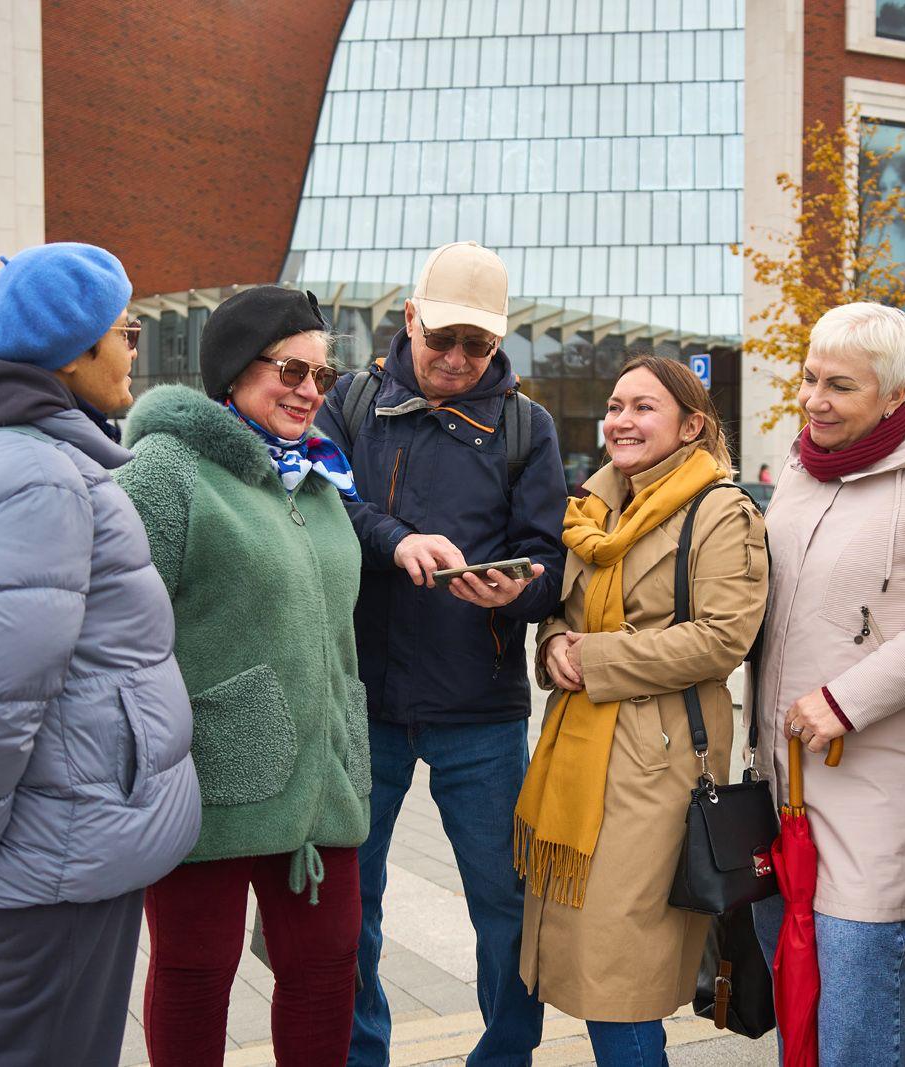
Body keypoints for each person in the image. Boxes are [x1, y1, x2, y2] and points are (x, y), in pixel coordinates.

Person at [0, 241, 202, 1066]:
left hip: (62, 834)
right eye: (124, 330)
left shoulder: (15, 456)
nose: (134, 348)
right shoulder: (42, 477)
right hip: (60, 847)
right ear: (72, 351)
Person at [313, 241, 567, 1067]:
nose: (457, 358)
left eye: (478, 345)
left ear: (501, 341)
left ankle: (505, 1057)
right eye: (443, 339)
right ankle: (362, 1056)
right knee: (350, 908)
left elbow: (550, 564)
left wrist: (514, 593)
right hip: (362, 701)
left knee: (509, 908)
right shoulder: (348, 402)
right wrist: (395, 539)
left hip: (480, 710)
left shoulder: (528, 427)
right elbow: (317, 503)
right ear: (410, 319)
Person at [116, 286, 370, 1067]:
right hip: (206, 783)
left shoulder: (320, 478)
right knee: (196, 974)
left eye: (323, 377)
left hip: (325, 781)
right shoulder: (166, 468)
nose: (310, 390)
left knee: (328, 969)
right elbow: (114, 630)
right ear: (235, 366)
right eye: (293, 369)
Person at [751, 302, 905, 1066]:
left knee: (855, 983)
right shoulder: (798, 469)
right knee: (794, 981)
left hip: (876, 775)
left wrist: (843, 701)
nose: (814, 399)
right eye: (810, 377)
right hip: (780, 773)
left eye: (840, 386)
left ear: (893, 396)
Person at [522, 354, 768, 1066]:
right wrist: (553, 642)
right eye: (615, 406)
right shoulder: (594, 507)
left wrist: (593, 658)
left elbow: (723, 638)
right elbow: (565, 612)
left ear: (691, 425)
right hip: (579, 752)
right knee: (600, 962)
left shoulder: (721, 510)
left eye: (643, 407)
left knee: (618, 969)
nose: (621, 421)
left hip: (658, 762)